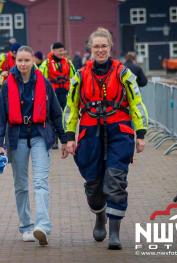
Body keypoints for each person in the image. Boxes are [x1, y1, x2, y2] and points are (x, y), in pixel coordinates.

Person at [63, 28, 148, 250]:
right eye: (96, 46)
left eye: (104, 46)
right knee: (93, 183)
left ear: (110, 47)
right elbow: (71, 108)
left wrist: (141, 134)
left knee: (116, 179)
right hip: (90, 132)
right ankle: (100, 214)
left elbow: (136, 103)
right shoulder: (80, 75)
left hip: (119, 132)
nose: (100, 50)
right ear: (90, 48)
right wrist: (69, 137)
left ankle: (115, 233)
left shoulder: (124, 73)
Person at [0, 45, 68, 246]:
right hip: (17, 137)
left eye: (27, 60)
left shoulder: (44, 83)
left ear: (33, 60)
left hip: (39, 135)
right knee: (21, 185)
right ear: (15, 61)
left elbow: (56, 113)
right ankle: (26, 226)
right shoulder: (8, 85)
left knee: (41, 182)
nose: (23, 64)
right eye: (20, 60)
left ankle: (42, 226)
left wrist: (65, 139)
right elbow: (0, 116)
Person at [39, 42, 75, 149]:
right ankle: (54, 140)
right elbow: (41, 80)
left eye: (63, 50)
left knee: (66, 116)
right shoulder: (46, 64)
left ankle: (66, 138)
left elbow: (74, 78)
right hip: (52, 95)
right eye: (59, 50)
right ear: (53, 51)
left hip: (64, 93)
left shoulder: (68, 63)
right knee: (52, 117)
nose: (62, 52)